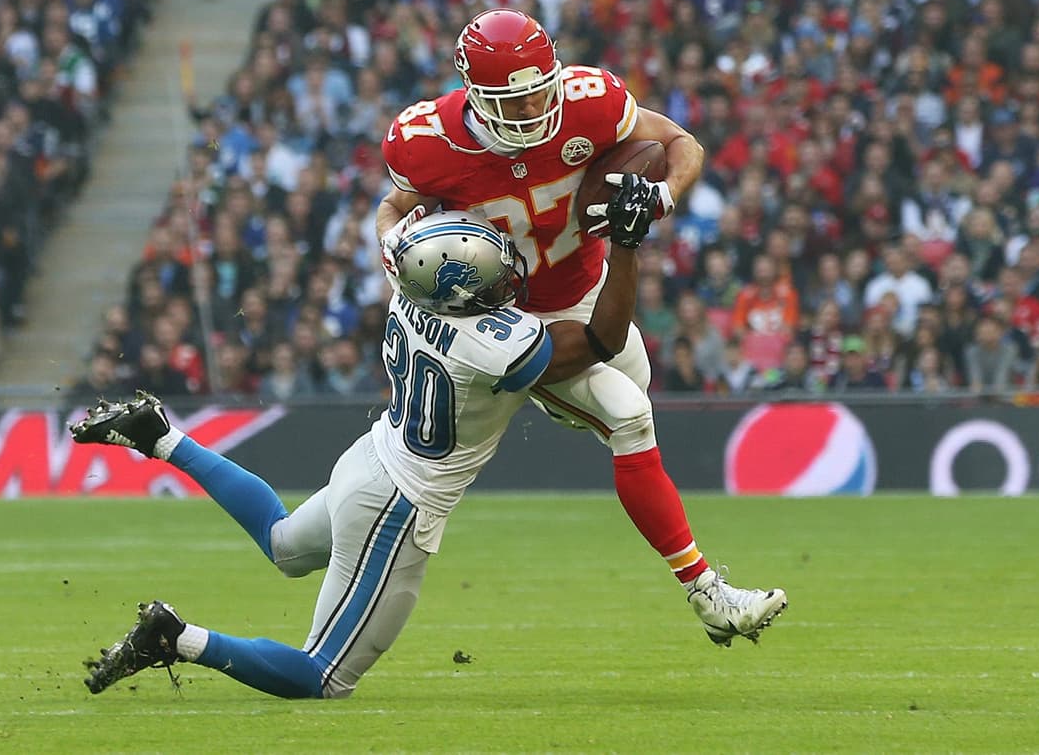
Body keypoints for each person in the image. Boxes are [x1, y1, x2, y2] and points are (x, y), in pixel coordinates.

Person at [73, 212, 786, 699]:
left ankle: (161, 435)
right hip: (400, 502)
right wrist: (625, 244)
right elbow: (599, 339)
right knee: (322, 675)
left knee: (284, 542)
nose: (511, 276)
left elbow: (417, 230)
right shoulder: (494, 340)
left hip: (374, 452)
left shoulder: (404, 276)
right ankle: (179, 636)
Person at [375, 9, 729, 622]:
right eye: (513, 103)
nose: (533, 113)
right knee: (627, 415)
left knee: (632, 401)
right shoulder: (428, 142)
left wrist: (662, 198)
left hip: (592, 288)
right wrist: (394, 247)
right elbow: (394, 207)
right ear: (474, 99)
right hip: (509, 321)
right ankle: (707, 593)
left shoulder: (590, 102)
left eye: (541, 92)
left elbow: (680, 144)